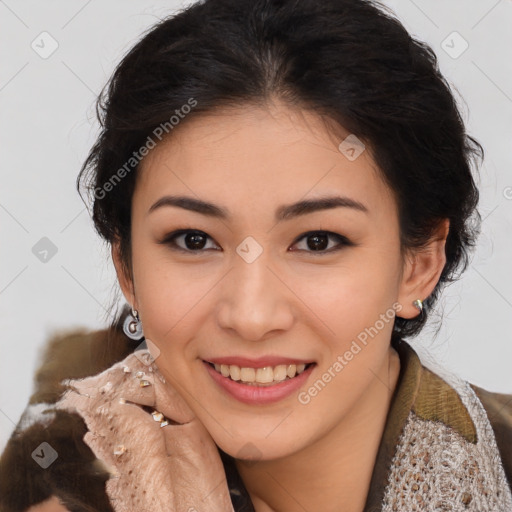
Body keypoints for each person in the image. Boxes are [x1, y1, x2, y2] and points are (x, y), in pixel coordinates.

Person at [1, 0, 511, 511]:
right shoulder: (59, 468)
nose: (250, 316)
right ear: (126, 267)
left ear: (418, 265)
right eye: (194, 240)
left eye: (318, 241)